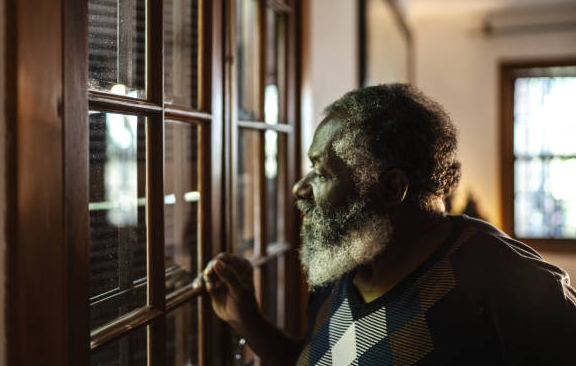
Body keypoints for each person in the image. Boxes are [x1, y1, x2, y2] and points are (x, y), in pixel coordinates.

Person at [194, 84, 576, 365]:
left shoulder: (511, 284)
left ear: (391, 188)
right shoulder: (343, 266)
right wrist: (249, 321)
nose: (300, 188)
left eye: (322, 172)